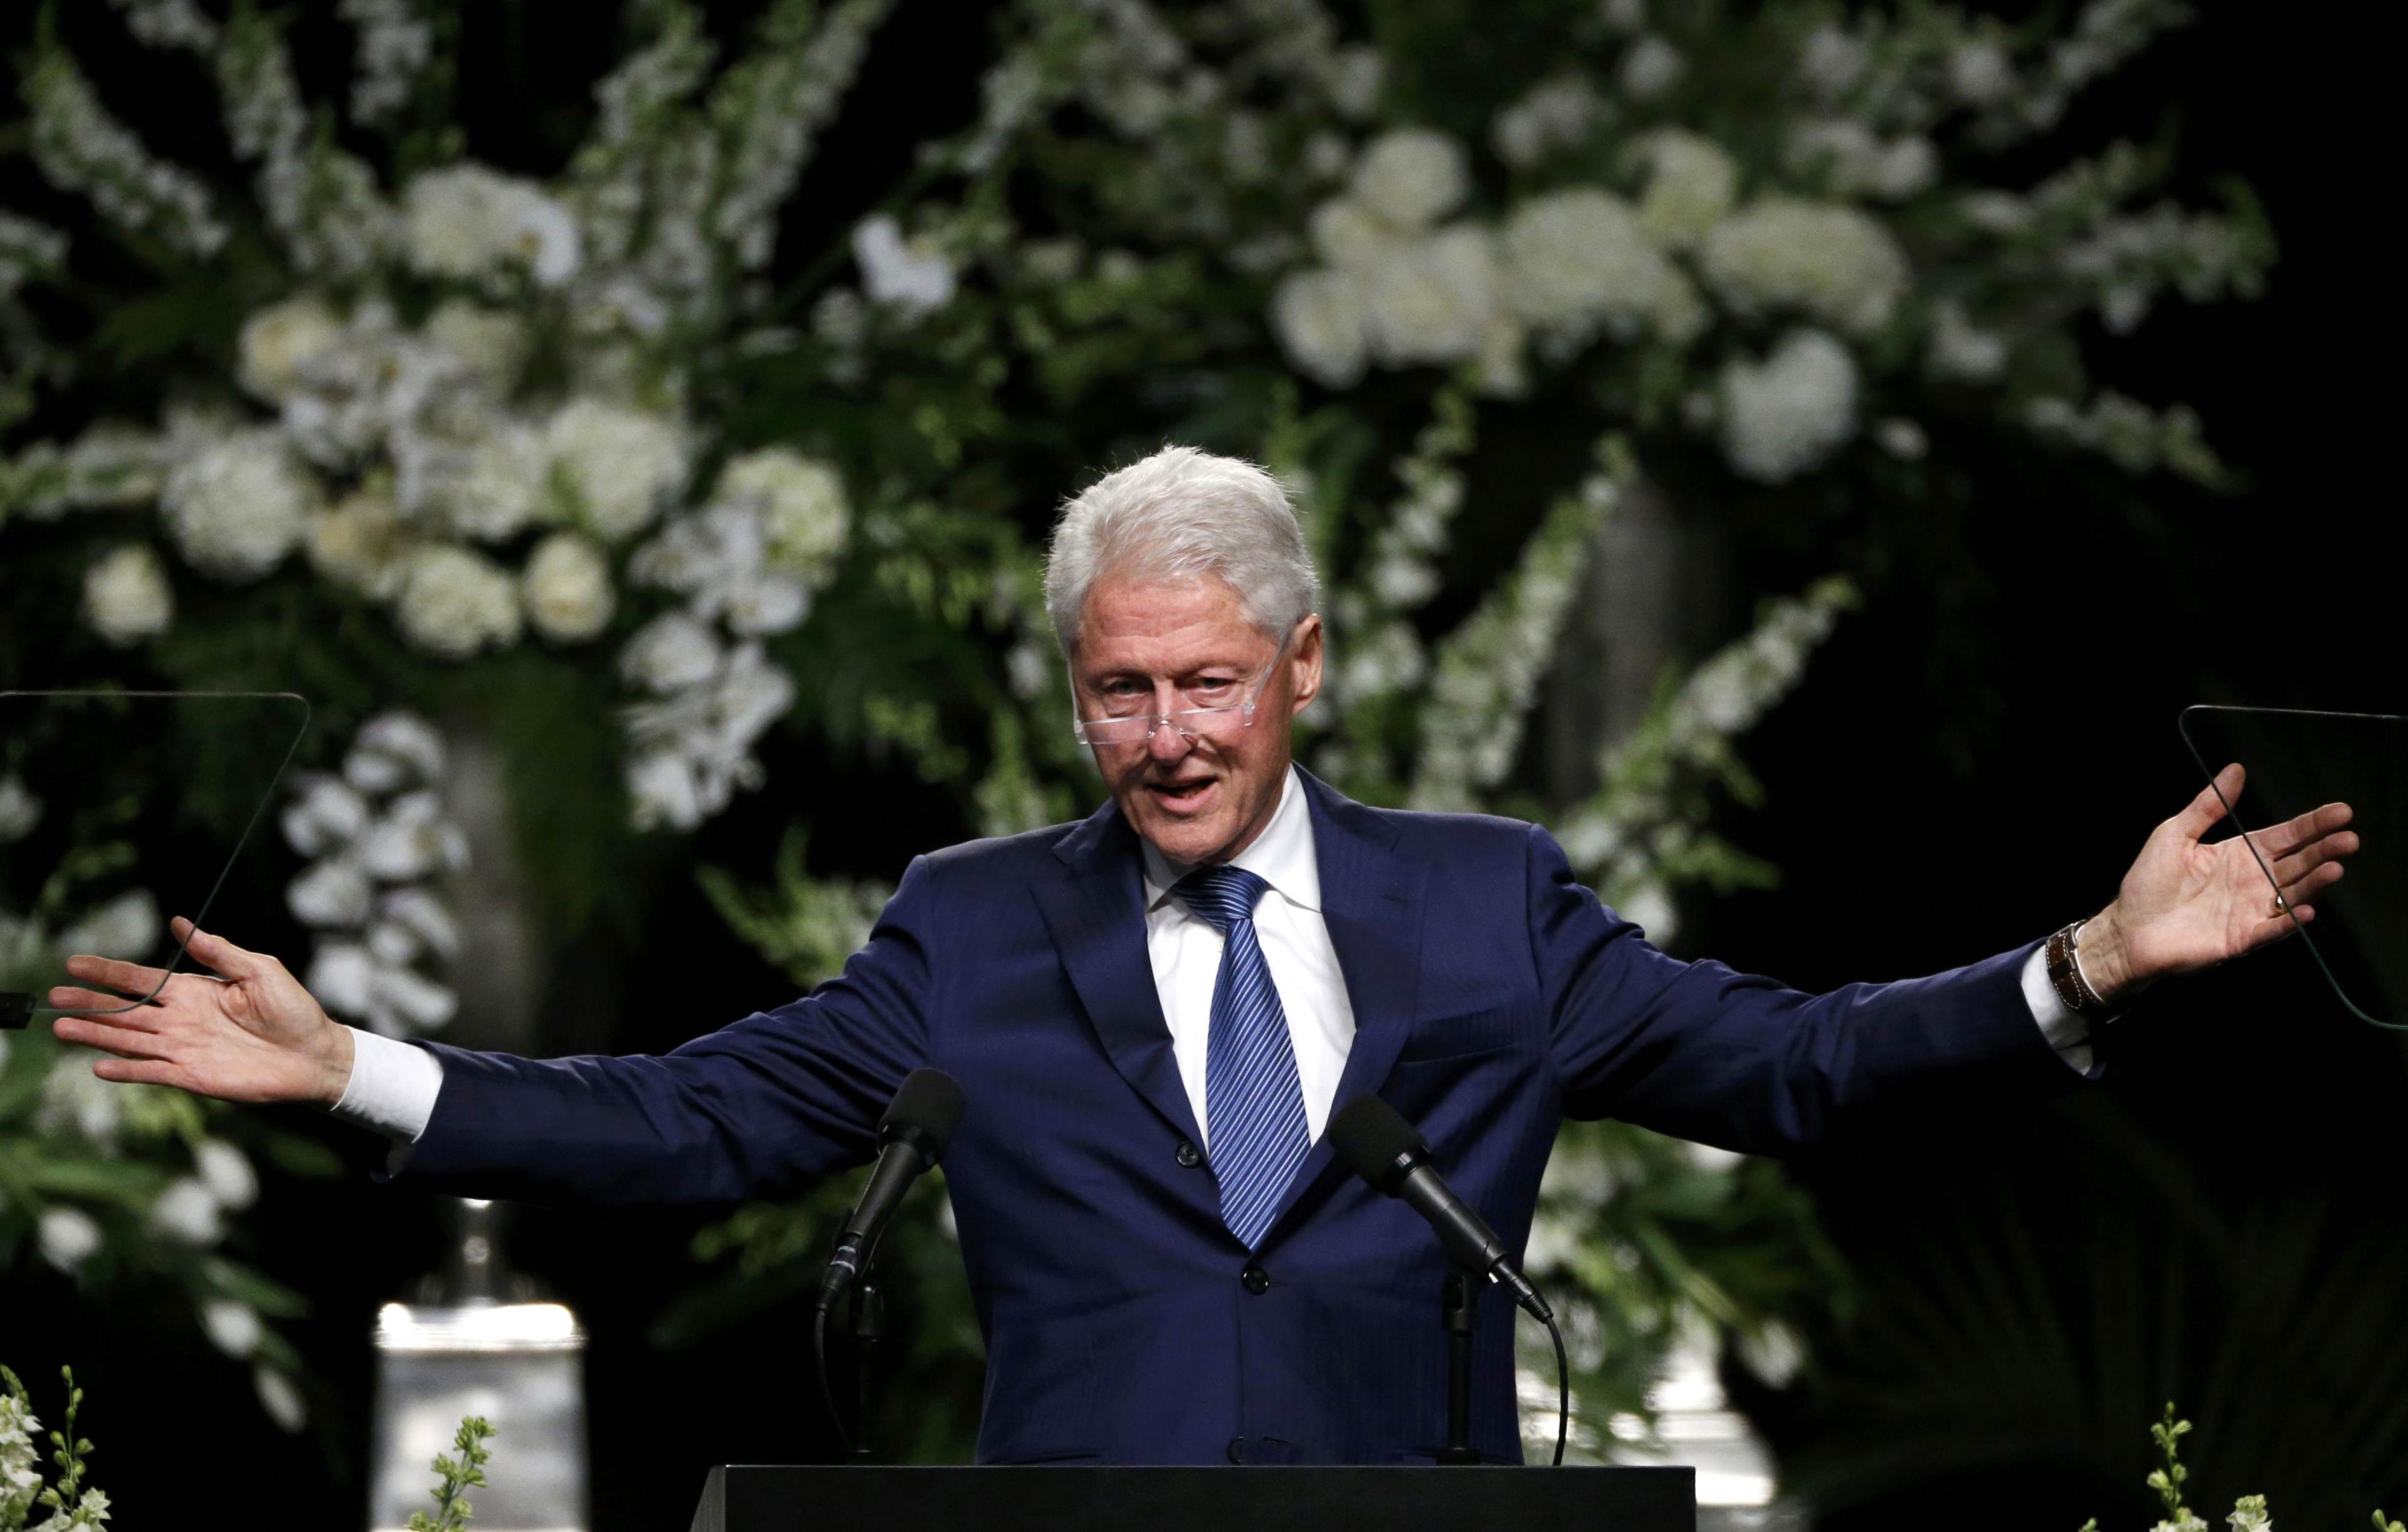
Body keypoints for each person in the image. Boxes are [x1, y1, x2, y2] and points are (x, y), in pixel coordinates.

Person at [48, 447, 2355, 1466]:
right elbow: (698, 1115)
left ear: (1305, 664)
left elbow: (1798, 1064)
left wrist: (2090, 962)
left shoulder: (1487, 901)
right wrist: (355, 1062)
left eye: (1206, 686)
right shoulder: (977, 922)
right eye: (1118, 690)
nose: (1162, 736)